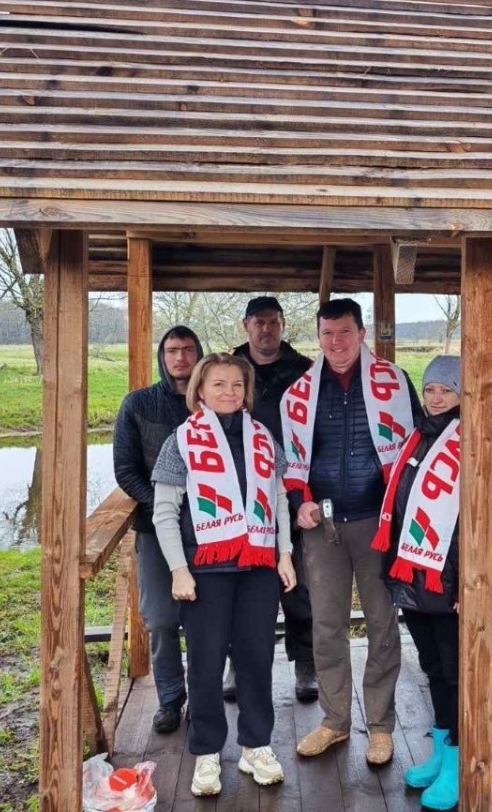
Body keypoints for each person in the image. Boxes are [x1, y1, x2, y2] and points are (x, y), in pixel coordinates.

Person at [281, 298, 421, 766]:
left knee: (382, 624)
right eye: (327, 333)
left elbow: (416, 446)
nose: (336, 342)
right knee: (326, 625)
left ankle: (380, 726)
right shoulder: (299, 392)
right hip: (322, 526)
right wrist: (299, 503)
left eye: (344, 332)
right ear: (317, 337)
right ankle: (335, 720)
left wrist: (404, 513)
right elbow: (289, 459)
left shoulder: (394, 382)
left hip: (378, 523)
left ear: (362, 333)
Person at [150, 353, 298, 797]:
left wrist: (285, 554)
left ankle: (256, 745)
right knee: (205, 663)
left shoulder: (263, 437)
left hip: (257, 568)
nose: (229, 392)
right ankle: (207, 750)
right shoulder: (181, 441)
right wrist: (178, 569)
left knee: (256, 658)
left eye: (237, 384)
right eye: (218, 384)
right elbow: (164, 512)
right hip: (204, 569)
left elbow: (279, 500)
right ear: (200, 390)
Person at [373, 355, 492, 810]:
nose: (435, 398)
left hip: (452, 585)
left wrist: (473, 583)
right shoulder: (416, 435)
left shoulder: (474, 442)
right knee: (433, 667)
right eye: (430, 389)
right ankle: (440, 752)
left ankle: (458, 762)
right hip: (413, 580)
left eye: (446, 391)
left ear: (462, 394)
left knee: (456, 674)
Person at [113, 325, 203, 734]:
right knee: (162, 619)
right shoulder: (138, 404)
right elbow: (126, 470)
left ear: (199, 354)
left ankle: (203, 695)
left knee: (207, 619)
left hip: (210, 531)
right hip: (155, 529)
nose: (180, 357)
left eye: (188, 349)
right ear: (162, 356)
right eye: (172, 350)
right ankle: (170, 697)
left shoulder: (213, 402)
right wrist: (165, 508)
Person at [229, 295, 317, 703]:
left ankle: (305, 662)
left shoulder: (305, 370)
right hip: (240, 493)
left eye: (273, 322)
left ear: (282, 325)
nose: (266, 329)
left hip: (293, 488)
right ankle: (237, 664)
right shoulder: (228, 369)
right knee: (240, 585)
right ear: (246, 325)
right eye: (258, 322)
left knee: (298, 584)